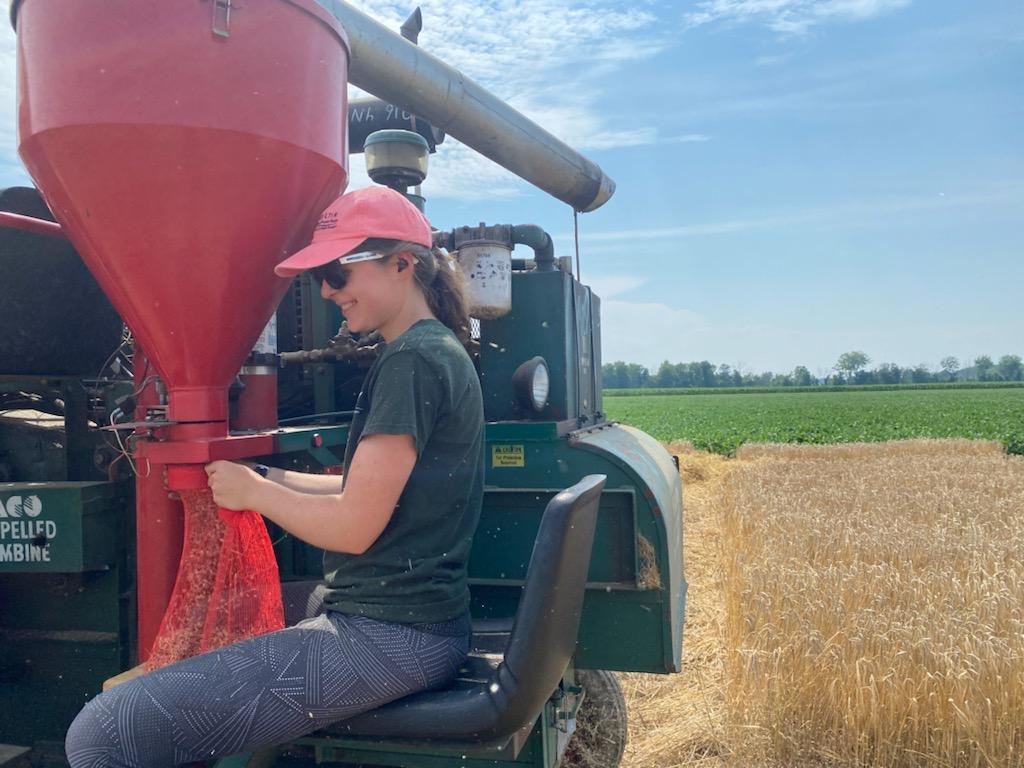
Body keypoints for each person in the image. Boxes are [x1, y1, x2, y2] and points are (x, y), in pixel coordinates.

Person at [64, 186, 485, 767]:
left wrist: (255, 493)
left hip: (391, 635)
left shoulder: (412, 361)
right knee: (225, 617)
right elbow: (358, 491)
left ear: (401, 264)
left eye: (339, 272)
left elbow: (355, 527)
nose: (330, 291)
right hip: (412, 621)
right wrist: (264, 475)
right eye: (321, 280)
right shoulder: (430, 350)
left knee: (104, 734)